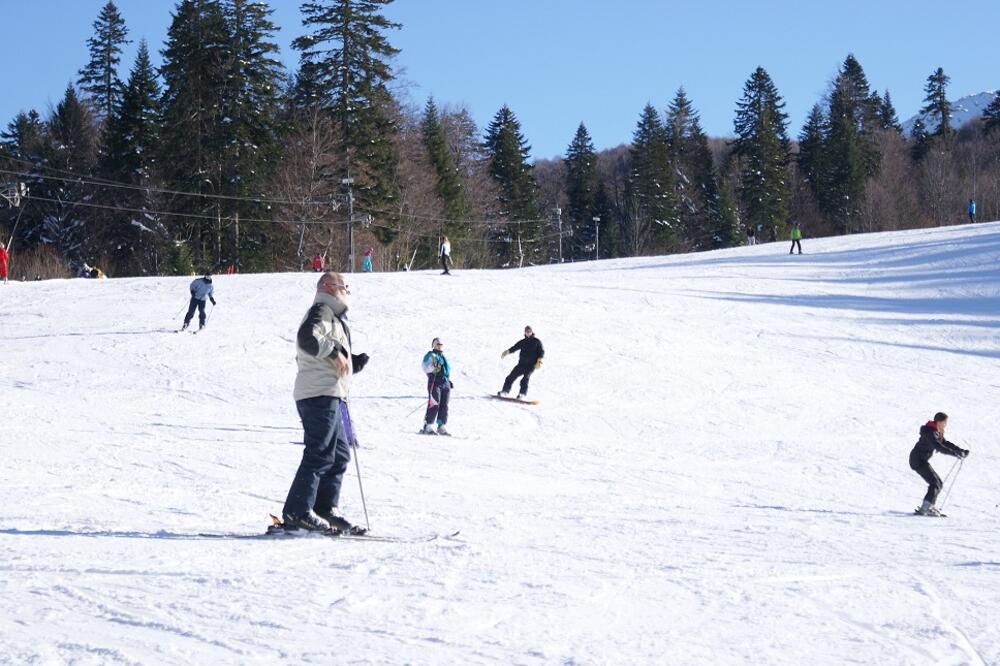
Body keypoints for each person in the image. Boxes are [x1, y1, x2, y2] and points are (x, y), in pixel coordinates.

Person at [282, 272, 370, 532]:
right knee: (320, 452)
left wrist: (351, 360)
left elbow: (327, 348)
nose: (348, 291)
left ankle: (324, 508)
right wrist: (335, 354)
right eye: (345, 286)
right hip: (318, 394)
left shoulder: (332, 317)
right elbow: (307, 338)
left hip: (331, 393)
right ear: (330, 287)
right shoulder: (321, 310)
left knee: (340, 454)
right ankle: (297, 511)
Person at [909, 412, 969, 516]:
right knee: (935, 483)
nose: (946, 424)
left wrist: (960, 450)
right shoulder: (929, 432)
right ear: (939, 422)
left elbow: (944, 443)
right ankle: (925, 509)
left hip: (921, 460)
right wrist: (955, 454)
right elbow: (938, 447)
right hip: (917, 460)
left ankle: (929, 507)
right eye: (945, 422)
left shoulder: (935, 431)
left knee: (938, 483)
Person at [498, 326, 545, 400]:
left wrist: (539, 360)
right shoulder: (523, 342)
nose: (528, 333)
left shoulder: (536, 341)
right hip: (521, 364)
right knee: (510, 377)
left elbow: (541, 351)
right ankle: (505, 391)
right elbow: (515, 347)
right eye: (527, 332)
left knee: (525, 379)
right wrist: (508, 351)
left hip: (531, 365)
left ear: (532, 332)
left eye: (529, 331)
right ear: (525, 333)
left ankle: (522, 394)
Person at [420, 337, 452, 435]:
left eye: (441, 345)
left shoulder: (443, 357)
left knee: (444, 404)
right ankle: (428, 425)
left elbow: (446, 370)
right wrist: (434, 368)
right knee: (434, 403)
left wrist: (448, 380)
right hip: (435, 382)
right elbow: (425, 367)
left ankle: (441, 426)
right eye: (438, 345)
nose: (440, 347)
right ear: (434, 345)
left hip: (445, 383)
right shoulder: (430, 355)